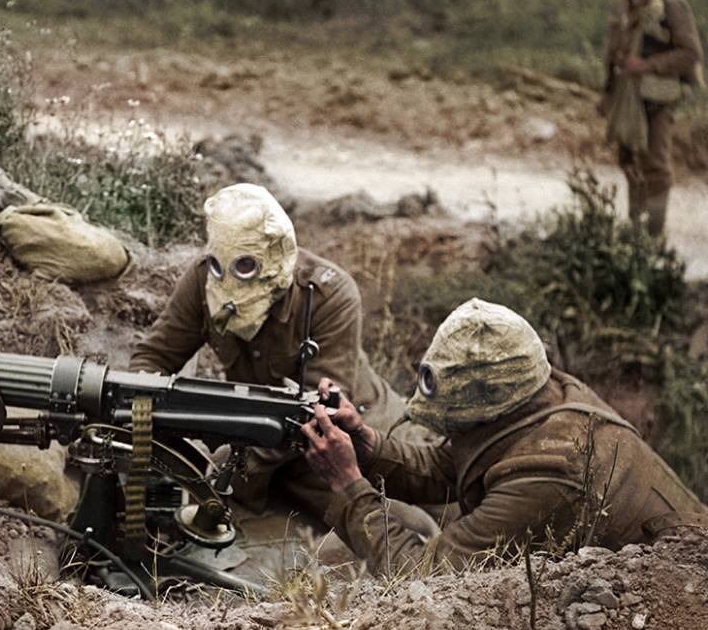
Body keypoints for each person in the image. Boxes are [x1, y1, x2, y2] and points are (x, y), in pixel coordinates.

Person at [300, 297, 708, 575]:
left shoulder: (550, 472)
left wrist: (349, 485)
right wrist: (367, 446)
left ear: (487, 406)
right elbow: (453, 466)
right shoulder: (543, 394)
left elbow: (422, 575)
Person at [129, 183, 420, 516]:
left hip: (335, 445)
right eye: (220, 264)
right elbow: (154, 356)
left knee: (395, 528)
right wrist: (146, 430)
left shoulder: (329, 295)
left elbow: (318, 411)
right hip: (258, 439)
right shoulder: (203, 280)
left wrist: (234, 464)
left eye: (246, 265)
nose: (230, 280)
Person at [599, 0, 704, 238]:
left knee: (655, 164)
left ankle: (654, 234)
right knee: (628, 160)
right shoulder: (623, 4)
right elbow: (612, 52)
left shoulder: (670, 4)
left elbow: (690, 52)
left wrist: (649, 65)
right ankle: (635, 229)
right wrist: (607, 92)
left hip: (657, 96)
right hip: (626, 96)